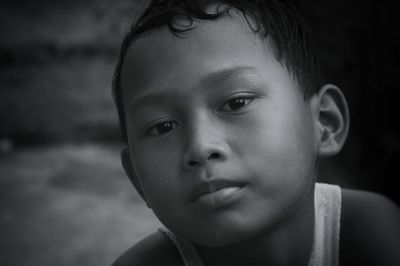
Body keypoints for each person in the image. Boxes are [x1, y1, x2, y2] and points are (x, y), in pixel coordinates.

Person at [111, 0, 400, 265]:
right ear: (136, 178)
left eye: (236, 103)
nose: (200, 147)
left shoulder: (371, 235)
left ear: (324, 123)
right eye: (163, 127)